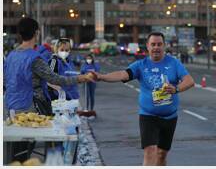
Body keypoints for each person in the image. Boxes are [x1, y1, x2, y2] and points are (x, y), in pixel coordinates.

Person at [94, 32, 194, 166]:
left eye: (159, 44)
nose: (156, 47)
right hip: (148, 116)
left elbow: (189, 81)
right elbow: (123, 74)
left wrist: (176, 89)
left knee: (161, 155)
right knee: (150, 150)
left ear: (164, 46)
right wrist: (102, 77)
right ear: (147, 46)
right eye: (153, 44)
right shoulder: (141, 65)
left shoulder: (174, 63)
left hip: (170, 117)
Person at [4, 17, 95, 162]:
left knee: (15, 152)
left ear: (20, 34)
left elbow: (5, 81)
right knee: (29, 150)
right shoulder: (34, 58)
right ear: (36, 33)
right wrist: (81, 78)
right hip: (30, 109)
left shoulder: (11, 56)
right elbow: (55, 79)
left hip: (11, 107)